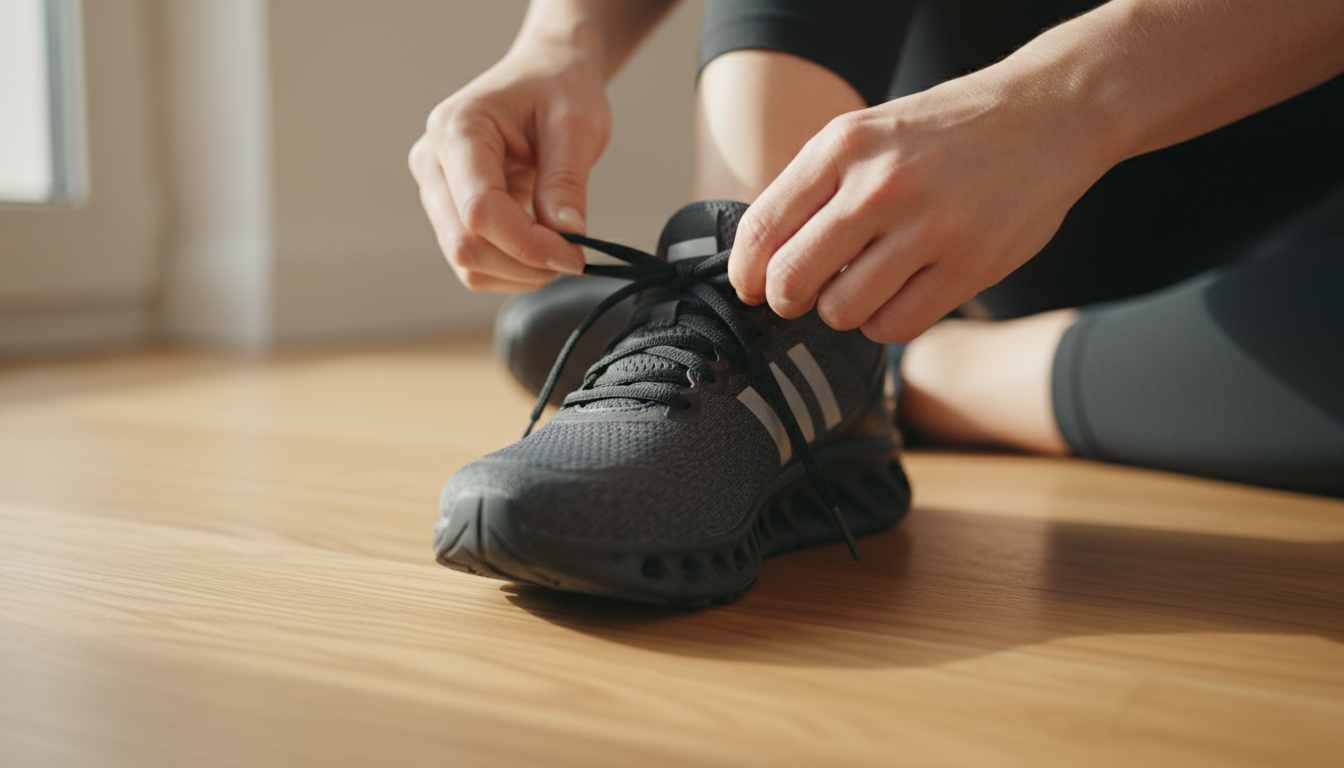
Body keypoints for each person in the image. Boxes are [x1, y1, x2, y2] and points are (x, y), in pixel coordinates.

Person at [411, 0, 1344, 604]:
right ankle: (764, 315)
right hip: (981, 142)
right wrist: (562, 39)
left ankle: (898, 362)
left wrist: (1064, 101)